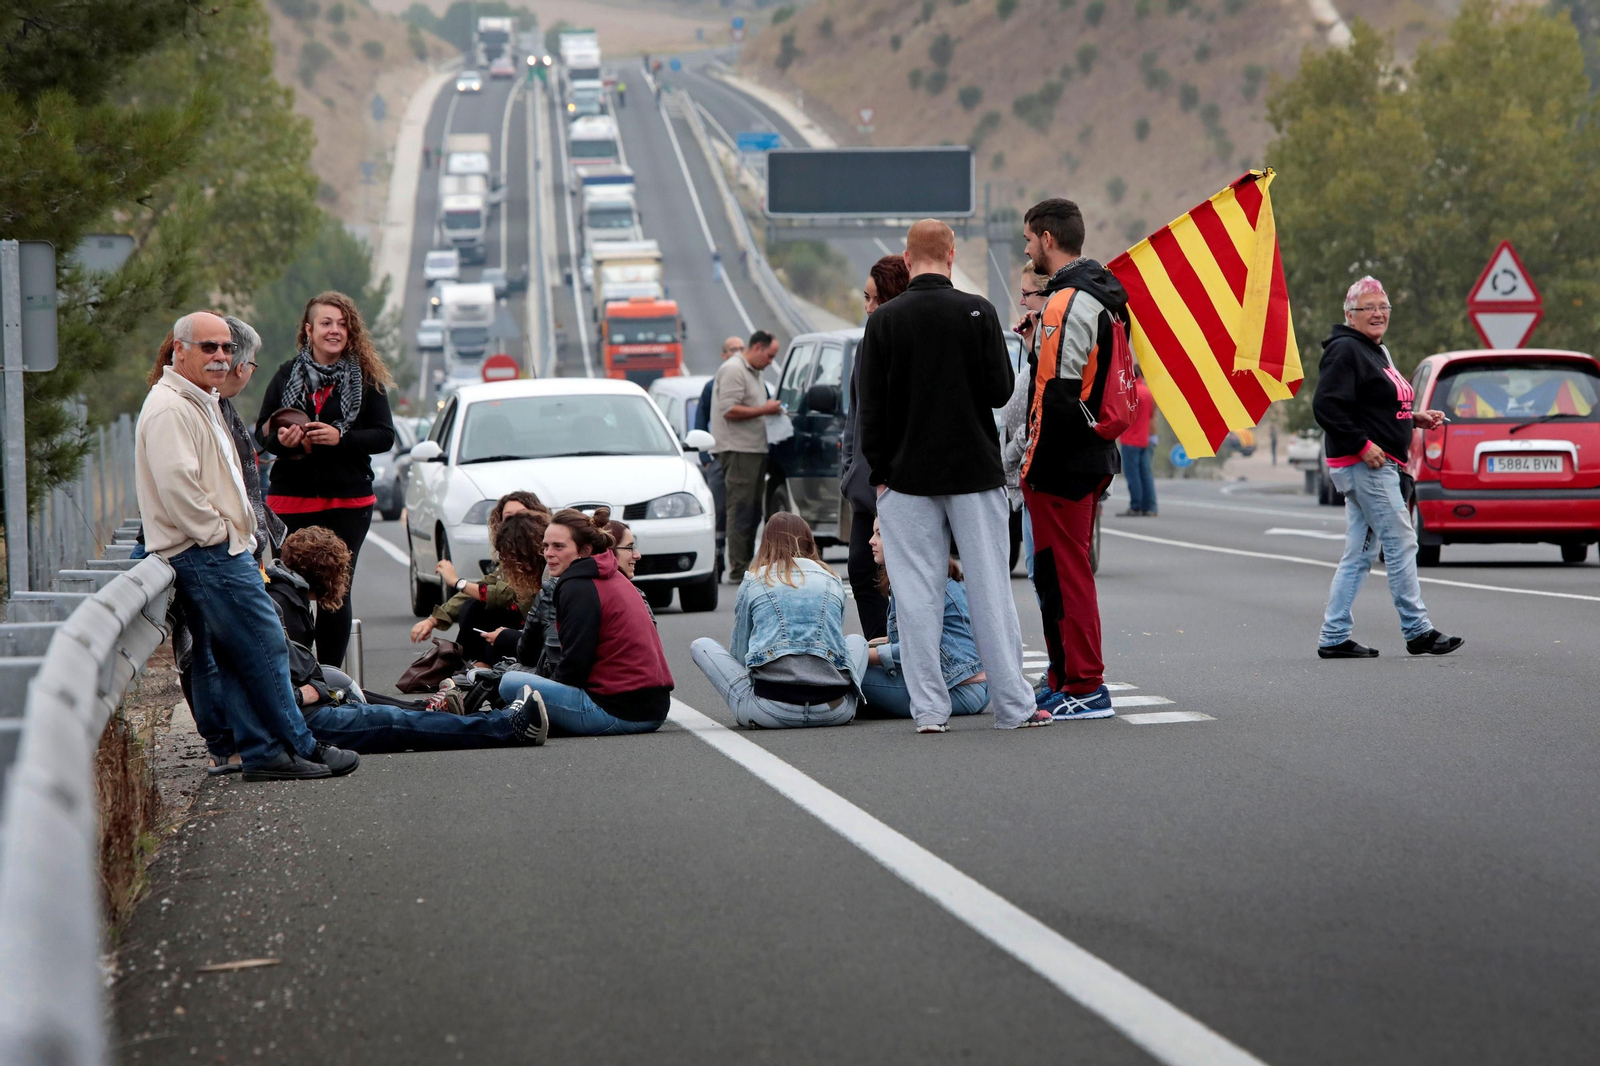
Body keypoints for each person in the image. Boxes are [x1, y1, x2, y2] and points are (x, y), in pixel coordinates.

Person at [135, 311, 359, 781]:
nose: (221, 356)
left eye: (225, 348)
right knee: (266, 647)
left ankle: (262, 752)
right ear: (179, 351)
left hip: (218, 549)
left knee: (239, 655)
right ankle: (302, 745)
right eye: (207, 347)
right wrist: (223, 536)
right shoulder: (171, 407)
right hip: (208, 552)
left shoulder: (200, 401)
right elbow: (179, 488)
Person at [856, 220, 1049, 732]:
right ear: (951, 255)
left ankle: (929, 711)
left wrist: (881, 476)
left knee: (916, 596)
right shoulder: (977, 311)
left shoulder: (884, 323)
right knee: (989, 588)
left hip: (905, 477)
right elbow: (1000, 392)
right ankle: (1012, 705)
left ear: (906, 256)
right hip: (973, 471)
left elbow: (869, 409)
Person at [1314, 276, 1463, 659]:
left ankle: (1333, 636)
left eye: (1383, 306)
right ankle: (1418, 631)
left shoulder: (1375, 350)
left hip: (1377, 466)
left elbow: (1374, 403)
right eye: (1369, 307)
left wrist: (1413, 418)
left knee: (1360, 554)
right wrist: (1363, 446)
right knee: (1401, 541)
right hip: (1365, 467)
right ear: (1350, 314)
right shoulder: (1346, 351)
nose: (1378, 313)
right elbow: (1327, 406)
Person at [1020, 198, 1127, 721]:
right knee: (1054, 575)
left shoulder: (1067, 301)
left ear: (1046, 238)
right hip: (1091, 455)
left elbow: (1058, 397)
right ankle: (1065, 676)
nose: (1025, 249)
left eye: (1027, 239)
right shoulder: (1102, 295)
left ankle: (1086, 686)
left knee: (1067, 576)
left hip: (1063, 461)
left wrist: (1030, 465)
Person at [257, 291, 396, 668]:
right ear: (309, 330)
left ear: (351, 331)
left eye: (342, 323)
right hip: (291, 500)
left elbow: (385, 436)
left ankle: (331, 681)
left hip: (348, 502)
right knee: (290, 587)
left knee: (336, 590)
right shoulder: (287, 374)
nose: (334, 330)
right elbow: (263, 433)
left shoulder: (367, 379)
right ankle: (299, 674)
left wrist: (342, 438)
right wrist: (283, 443)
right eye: (326, 323)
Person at [496, 508, 674, 736]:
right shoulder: (610, 574)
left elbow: (574, 668)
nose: (548, 553)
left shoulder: (577, 585)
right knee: (525, 685)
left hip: (618, 711)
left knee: (510, 682)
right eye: (545, 546)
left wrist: (546, 690)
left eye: (559, 547)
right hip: (651, 708)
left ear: (585, 549)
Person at [691, 513, 868, 729]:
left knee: (701, 645)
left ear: (766, 544)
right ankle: (847, 701)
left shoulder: (754, 581)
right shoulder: (832, 580)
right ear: (809, 541)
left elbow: (739, 653)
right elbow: (836, 644)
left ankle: (756, 705)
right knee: (858, 641)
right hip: (835, 711)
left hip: (770, 711)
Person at [839, 254, 909, 640]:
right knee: (861, 571)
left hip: (904, 489)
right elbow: (855, 416)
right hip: (866, 491)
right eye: (865, 298)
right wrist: (850, 471)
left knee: (904, 581)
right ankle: (878, 655)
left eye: (873, 299)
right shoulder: (866, 345)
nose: (867, 308)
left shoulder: (910, 342)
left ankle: (905, 658)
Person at [860, 518, 988, 718]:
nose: (871, 541)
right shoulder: (923, 577)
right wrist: (871, 645)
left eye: (880, 534)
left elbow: (919, 649)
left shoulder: (921, 587)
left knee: (848, 676)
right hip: (966, 685)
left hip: (959, 689)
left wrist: (858, 657)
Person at [411, 491, 548, 664]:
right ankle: (471, 665)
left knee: (485, 610)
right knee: (473, 605)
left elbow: (505, 594)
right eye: (509, 517)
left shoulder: (543, 552)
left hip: (539, 634)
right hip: (525, 630)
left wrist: (456, 582)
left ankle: (468, 665)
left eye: (521, 516)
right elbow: (483, 587)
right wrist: (433, 620)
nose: (514, 522)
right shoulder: (512, 556)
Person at [710, 329, 781, 580]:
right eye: (770, 355)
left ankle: (746, 564)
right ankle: (738, 568)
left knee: (751, 510)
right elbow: (729, 409)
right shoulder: (734, 369)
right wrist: (765, 409)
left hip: (752, 449)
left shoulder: (754, 372)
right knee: (740, 509)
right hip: (738, 449)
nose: (771, 361)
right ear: (758, 348)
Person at [999, 260, 1051, 593]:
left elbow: (1037, 420)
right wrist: (1032, 348)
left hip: (1040, 480)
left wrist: (1005, 458)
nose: (1022, 303)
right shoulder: (1040, 348)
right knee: (1040, 577)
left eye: (1026, 294)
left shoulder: (1057, 345)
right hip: (1026, 486)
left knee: (1047, 578)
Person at [696, 336, 745, 575]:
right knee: (718, 507)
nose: (738, 353)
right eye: (733, 349)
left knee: (738, 508)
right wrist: (705, 457)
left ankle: (735, 557)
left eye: (741, 349)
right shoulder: (711, 386)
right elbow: (699, 421)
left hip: (741, 454)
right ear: (724, 355)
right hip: (717, 457)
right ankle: (717, 556)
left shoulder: (751, 379)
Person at [1117, 365, 1158, 517]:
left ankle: (1136, 505)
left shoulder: (1130, 391)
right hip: (1144, 437)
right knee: (1145, 474)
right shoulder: (1147, 392)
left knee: (1132, 475)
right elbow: (1151, 415)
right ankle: (1149, 506)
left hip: (1130, 438)